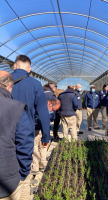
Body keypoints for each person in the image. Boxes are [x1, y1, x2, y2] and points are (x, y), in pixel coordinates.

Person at [11, 55, 50, 194]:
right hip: (25, 134)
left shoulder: (4, 81)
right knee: (23, 175)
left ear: (15, 66)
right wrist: (46, 136)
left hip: (4, 132)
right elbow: (43, 113)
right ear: (29, 69)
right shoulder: (34, 84)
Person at [0, 71, 33, 200]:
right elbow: (24, 143)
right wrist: (23, 173)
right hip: (7, 180)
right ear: (9, 86)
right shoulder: (16, 108)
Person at [32, 98, 60, 174]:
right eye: (53, 109)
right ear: (50, 103)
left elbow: (52, 118)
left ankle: (42, 164)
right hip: (35, 128)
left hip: (44, 127)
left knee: (43, 146)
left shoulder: (50, 109)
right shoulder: (38, 105)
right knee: (34, 146)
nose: (53, 111)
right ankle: (35, 167)